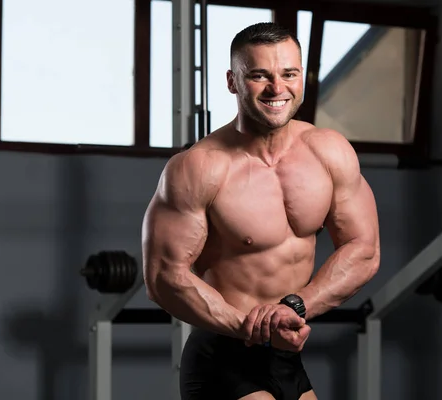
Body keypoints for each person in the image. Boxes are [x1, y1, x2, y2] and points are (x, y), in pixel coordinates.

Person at [142, 22, 380, 400]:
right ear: (232, 82)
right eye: (259, 76)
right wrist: (251, 326)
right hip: (224, 354)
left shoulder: (329, 152)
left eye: (289, 74)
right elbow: (163, 277)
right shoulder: (199, 168)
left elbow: (363, 248)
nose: (277, 88)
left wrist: (296, 305)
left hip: (286, 353)